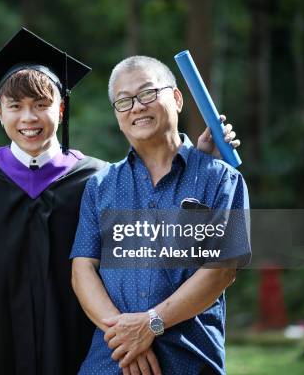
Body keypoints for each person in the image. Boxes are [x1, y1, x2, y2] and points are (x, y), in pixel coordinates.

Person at [0, 28, 240, 375]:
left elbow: (215, 263)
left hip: (81, 347)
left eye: (42, 104)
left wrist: (198, 164)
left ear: (60, 110)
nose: (29, 117)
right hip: (2, 346)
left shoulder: (90, 177)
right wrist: (126, 335)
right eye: (16, 107)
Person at [70, 56, 251, 375]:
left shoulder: (220, 180)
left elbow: (221, 270)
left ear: (177, 98)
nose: (136, 106)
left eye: (148, 93)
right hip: (109, 363)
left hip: (189, 360)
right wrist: (126, 336)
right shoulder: (101, 186)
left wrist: (151, 324)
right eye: (123, 101)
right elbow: (83, 267)